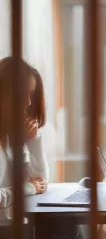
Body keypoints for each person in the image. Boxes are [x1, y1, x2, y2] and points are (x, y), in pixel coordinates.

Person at [0, 56, 82, 239]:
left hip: (13, 226)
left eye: (31, 95)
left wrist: (33, 140)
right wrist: (27, 188)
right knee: (62, 225)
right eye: (23, 95)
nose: (29, 103)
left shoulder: (10, 138)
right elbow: (31, 187)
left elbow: (41, 182)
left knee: (65, 221)